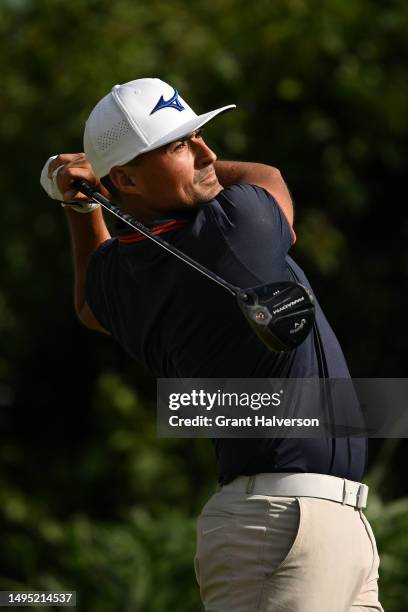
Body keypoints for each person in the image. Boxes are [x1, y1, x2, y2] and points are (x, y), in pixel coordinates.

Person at [40, 78, 383, 612]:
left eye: (199, 135)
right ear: (126, 177)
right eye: (181, 145)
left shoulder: (118, 279)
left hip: (313, 527)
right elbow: (266, 175)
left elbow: (88, 304)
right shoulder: (235, 226)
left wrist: (83, 206)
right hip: (281, 526)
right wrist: (105, 186)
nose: (208, 152)